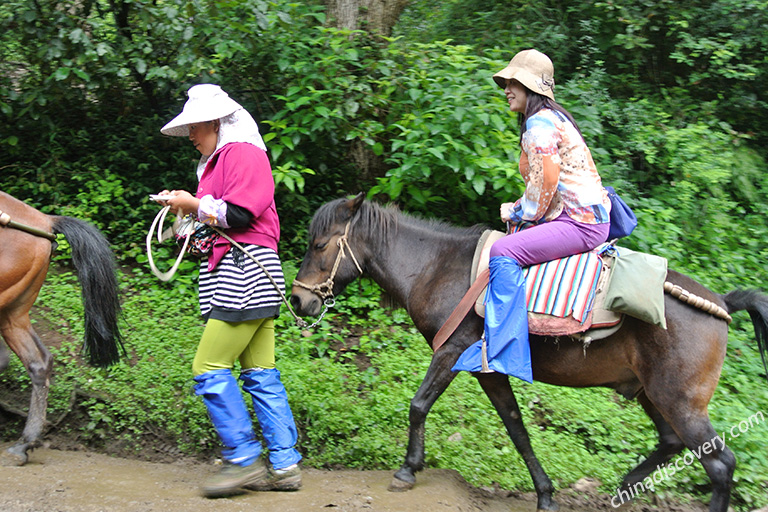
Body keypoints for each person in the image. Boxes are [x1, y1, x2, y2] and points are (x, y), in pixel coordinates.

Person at [154, 84, 302, 497]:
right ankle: (285, 464)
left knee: (208, 366)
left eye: (196, 128)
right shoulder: (216, 161)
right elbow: (213, 219)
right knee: (260, 372)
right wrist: (183, 206)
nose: (192, 137)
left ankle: (242, 459)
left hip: (243, 274)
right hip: (249, 273)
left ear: (217, 122)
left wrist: (193, 203)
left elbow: (238, 212)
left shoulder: (242, 153)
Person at [453, 49, 611, 380]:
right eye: (506, 83)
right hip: (581, 217)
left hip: (579, 224)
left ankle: (504, 351)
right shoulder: (554, 118)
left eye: (514, 82)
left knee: (502, 250)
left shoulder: (539, 124)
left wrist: (515, 211)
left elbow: (545, 186)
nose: (507, 89)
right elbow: (548, 185)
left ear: (532, 87)